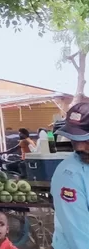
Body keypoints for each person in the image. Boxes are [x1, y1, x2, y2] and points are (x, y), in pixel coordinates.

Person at [51, 101, 89, 249]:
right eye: (74, 139)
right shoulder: (69, 175)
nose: (79, 147)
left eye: (85, 139)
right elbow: (80, 238)